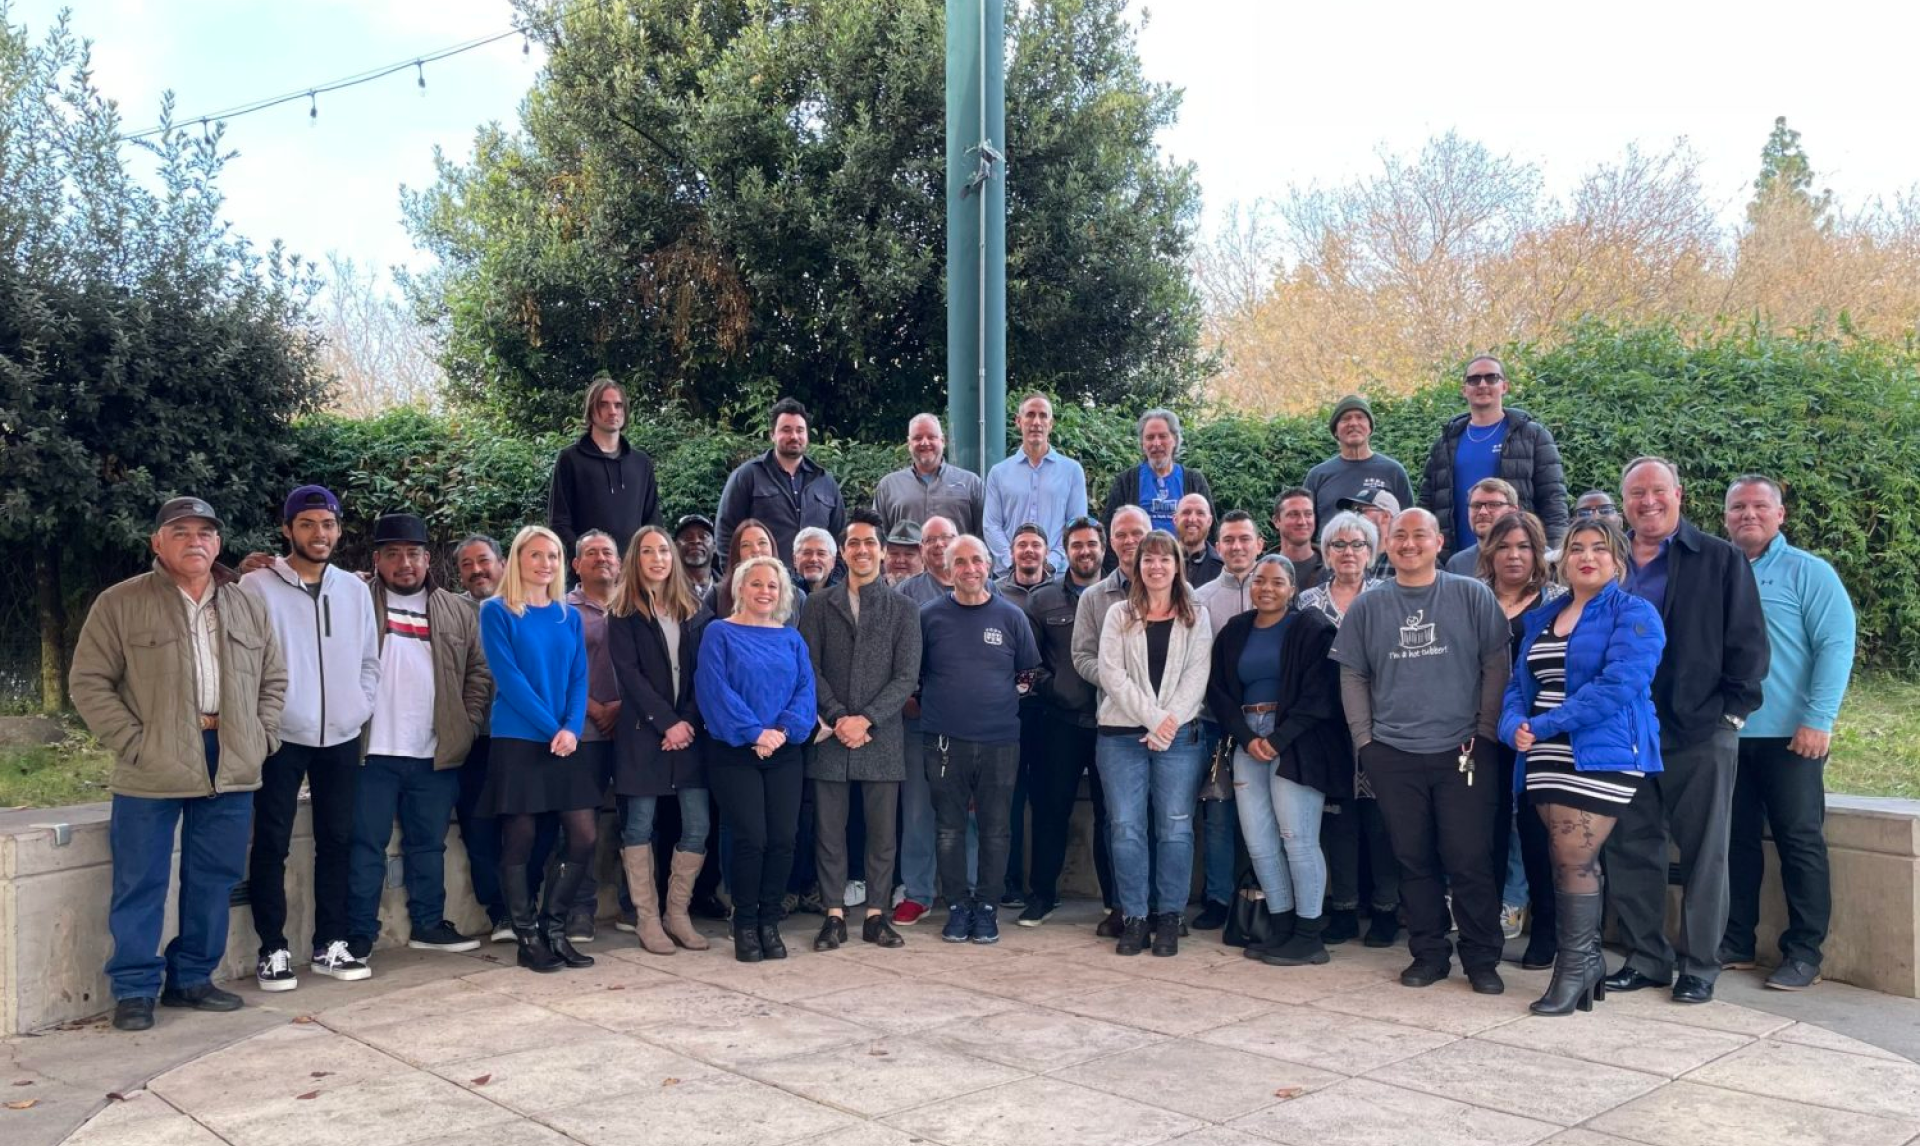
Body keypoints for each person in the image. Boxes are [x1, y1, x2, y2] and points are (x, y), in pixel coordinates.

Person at [71, 497, 287, 1032]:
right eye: (181, 532)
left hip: (231, 756)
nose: (195, 541)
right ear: (157, 543)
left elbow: (273, 679)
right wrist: (134, 743)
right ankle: (135, 988)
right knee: (140, 878)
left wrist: (261, 736)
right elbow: (90, 682)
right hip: (153, 760)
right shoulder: (121, 602)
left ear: (218, 543)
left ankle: (192, 978)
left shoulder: (246, 604)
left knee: (214, 876)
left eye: (205, 533)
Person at [1605, 457, 1770, 1005]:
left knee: (1705, 852)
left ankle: (1699, 965)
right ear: (1624, 502)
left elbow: (1748, 640)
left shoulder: (1719, 558)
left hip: (1698, 728)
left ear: (1679, 494)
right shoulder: (1609, 560)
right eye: (1636, 493)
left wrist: (1731, 716)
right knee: (1631, 847)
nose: (1648, 501)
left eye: (1658, 490)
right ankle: (1647, 958)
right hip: (1623, 730)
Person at [1331, 508, 1511, 994]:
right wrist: (1366, 741)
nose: (1409, 544)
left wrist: (1486, 731)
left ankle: (1481, 957)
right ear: (1387, 544)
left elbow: (1497, 664)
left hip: (1464, 750)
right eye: (1399, 536)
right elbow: (1353, 674)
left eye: (1419, 535)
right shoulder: (1368, 606)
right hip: (1393, 753)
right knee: (1412, 859)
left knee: (1469, 858)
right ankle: (1429, 953)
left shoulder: (1472, 595)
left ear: (1439, 542)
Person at [1501, 517, 1666, 1015]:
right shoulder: (1544, 616)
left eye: (1599, 548)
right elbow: (1518, 684)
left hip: (1603, 749)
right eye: (1576, 548)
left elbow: (1619, 685)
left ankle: (1573, 968)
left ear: (1618, 561)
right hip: (1544, 751)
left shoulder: (1634, 613)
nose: (1587, 556)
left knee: (1575, 857)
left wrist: (1545, 724)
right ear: (1563, 560)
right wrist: (1513, 726)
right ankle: (1587, 962)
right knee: (1562, 855)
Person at [241, 485, 380, 990]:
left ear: (338, 530)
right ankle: (272, 948)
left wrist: (359, 706)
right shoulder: (257, 586)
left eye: (327, 524)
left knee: (338, 840)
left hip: (341, 734)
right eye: (307, 524)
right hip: (282, 736)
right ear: (287, 529)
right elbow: (244, 659)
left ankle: (331, 943)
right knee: (271, 841)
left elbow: (369, 659)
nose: (319, 533)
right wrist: (268, 719)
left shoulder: (355, 590)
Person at [1720, 474, 1855, 992]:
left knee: (1799, 841)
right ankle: (1736, 942)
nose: (1748, 514)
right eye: (1738, 507)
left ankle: (1803, 953)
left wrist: (1819, 718)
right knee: (1735, 842)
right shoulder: (1719, 570)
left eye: (1760, 506)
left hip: (1792, 737)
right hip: (1729, 733)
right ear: (1726, 517)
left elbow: (1835, 645)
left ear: (1780, 515)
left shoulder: (1808, 572)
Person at [346, 513, 491, 964]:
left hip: (434, 752)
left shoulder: (455, 610)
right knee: (365, 846)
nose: (404, 563)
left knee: (429, 845)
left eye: (413, 553)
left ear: (428, 559)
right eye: (392, 554)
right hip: (370, 751)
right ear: (377, 560)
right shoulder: (356, 600)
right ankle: (358, 935)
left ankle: (429, 923)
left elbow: (478, 672)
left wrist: (466, 724)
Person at [1208, 555, 1350, 967]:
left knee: (1298, 838)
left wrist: (1279, 738)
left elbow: (1321, 693)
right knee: (1259, 841)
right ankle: (1282, 924)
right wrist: (1247, 736)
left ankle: (1309, 935)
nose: (1266, 588)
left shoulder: (1311, 628)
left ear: (1292, 589)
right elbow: (1218, 690)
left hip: (1299, 741)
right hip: (1247, 739)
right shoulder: (1236, 630)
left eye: (1276, 582)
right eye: (1259, 581)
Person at [797, 508, 921, 951]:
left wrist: (866, 718)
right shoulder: (817, 605)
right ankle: (833, 914)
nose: (862, 550)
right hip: (831, 735)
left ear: (883, 552)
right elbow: (808, 667)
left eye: (870, 543)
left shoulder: (904, 609)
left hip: (880, 734)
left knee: (882, 833)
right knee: (829, 831)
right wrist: (837, 716)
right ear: (843, 551)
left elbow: (906, 676)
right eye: (854, 543)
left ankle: (875, 914)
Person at [478, 526, 596, 974]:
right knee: (521, 837)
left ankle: (555, 928)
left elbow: (579, 677)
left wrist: (572, 728)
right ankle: (526, 936)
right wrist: (554, 729)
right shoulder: (497, 611)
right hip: (519, 738)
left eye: (553, 556)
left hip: (565, 739)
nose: (546, 564)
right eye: (536, 555)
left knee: (583, 835)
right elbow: (510, 681)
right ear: (517, 559)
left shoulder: (569, 616)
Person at [919, 535, 1043, 945]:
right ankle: (957, 906)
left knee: (995, 828)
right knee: (949, 829)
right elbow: (916, 674)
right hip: (944, 740)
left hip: (999, 740)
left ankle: (987, 907)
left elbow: (1028, 674)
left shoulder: (1011, 617)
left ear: (989, 565)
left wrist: (996, 702)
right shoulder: (929, 617)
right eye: (960, 562)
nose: (969, 569)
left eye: (976, 560)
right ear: (947, 569)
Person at [1095, 529, 1214, 956]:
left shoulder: (1196, 615)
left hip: (1179, 739)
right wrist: (1155, 720)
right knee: (1126, 828)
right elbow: (1112, 675)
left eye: (1165, 559)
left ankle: (1169, 916)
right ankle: (1134, 916)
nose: (1156, 566)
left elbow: (1197, 677)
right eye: (1148, 559)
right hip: (1120, 738)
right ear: (1137, 566)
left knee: (1176, 828)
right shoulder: (1119, 614)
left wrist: (1168, 725)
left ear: (1178, 565)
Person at [697, 556, 817, 962]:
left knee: (783, 839)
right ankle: (745, 924)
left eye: (773, 585)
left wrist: (780, 731)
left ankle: (770, 922)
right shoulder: (719, 633)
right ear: (740, 589)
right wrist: (754, 732)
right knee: (751, 838)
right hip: (735, 752)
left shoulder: (792, 639)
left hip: (784, 751)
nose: (765, 591)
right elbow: (714, 689)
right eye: (757, 584)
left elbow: (805, 691)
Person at [608, 524, 713, 955]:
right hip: (642, 735)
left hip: (688, 735)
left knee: (697, 825)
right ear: (636, 559)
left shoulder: (695, 610)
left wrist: (684, 722)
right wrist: (666, 723)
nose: (658, 559)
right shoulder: (622, 613)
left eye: (664, 551)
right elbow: (629, 675)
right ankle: (647, 919)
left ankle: (677, 914)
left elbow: (704, 672)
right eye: (648, 551)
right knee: (639, 825)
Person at [1299, 511, 1399, 949]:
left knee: (1381, 822)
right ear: (1325, 552)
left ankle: (1385, 910)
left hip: (1381, 724)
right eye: (1338, 544)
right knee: (1337, 822)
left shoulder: (1389, 596)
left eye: (1358, 544)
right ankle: (1343, 908)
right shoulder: (1307, 602)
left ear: (1372, 552)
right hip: (1327, 728)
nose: (1348, 552)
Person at [1475, 512, 1568, 968]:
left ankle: (1546, 931)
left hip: (1537, 733)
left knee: (1536, 834)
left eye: (1524, 547)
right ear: (1489, 552)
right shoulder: (1473, 598)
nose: (1514, 555)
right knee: (1485, 834)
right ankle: (1485, 931)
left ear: (1538, 553)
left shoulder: (1556, 602)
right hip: (1481, 732)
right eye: (1505, 546)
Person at [1019, 515, 1117, 925]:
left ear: (1103, 548)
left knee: (1113, 815)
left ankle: (1116, 900)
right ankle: (1043, 895)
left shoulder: (1124, 594)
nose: (1085, 551)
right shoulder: (1042, 600)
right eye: (1077, 545)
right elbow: (1028, 661)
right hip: (1059, 722)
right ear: (1065, 551)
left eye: (1091, 544)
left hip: (1114, 723)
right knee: (1050, 810)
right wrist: (1054, 689)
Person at [1071, 505, 1152, 938]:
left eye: (1136, 532)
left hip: (1166, 725)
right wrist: (1121, 685)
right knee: (1119, 821)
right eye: (1121, 534)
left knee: (1165, 821)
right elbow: (1082, 656)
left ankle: (1162, 907)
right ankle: (1123, 905)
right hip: (1117, 724)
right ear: (1110, 542)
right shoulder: (1094, 597)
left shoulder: (1177, 590)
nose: (1129, 540)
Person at [1190, 509, 1267, 930]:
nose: (1237, 547)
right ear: (1218, 547)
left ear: (1259, 544)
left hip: (1266, 725)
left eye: (1244, 539)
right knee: (1218, 814)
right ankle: (1218, 898)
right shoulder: (1201, 599)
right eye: (1229, 540)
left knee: (1268, 815)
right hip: (1215, 724)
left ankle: (1269, 896)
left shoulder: (1274, 589)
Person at [1417, 355, 1569, 555]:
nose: (1482, 384)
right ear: (1464, 390)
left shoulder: (1532, 436)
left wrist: (1552, 555)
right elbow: (1427, 504)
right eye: (1474, 379)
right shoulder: (1445, 443)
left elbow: (1553, 500)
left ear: (1504, 386)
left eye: (1491, 378)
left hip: (1515, 558)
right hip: (1456, 560)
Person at [890, 513, 957, 924]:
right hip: (919, 717)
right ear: (922, 549)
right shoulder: (906, 593)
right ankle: (918, 892)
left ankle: (967, 890)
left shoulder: (982, 585)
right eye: (930, 540)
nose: (938, 545)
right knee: (917, 810)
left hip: (968, 721)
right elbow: (893, 653)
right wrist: (905, 698)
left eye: (945, 538)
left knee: (967, 810)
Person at [560, 529, 624, 943]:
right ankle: (578, 910)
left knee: (638, 824)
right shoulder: (563, 610)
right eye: (592, 553)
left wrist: (622, 707)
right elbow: (558, 670)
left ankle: (636, 908)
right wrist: (596, 708)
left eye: (608, 552)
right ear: (576, 564)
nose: (602, 558)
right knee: (580, 829)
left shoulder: (635, 604)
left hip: (631, 731)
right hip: (582, 733)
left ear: (620, 562)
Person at [451, 534, 512, 940]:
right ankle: (501, 911)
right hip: (473, 741)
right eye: (467, 564)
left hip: (522, 738)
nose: (477, 570)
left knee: (528, 825)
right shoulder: (451, 612)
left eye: (484, 561)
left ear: (502, 563)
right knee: (479, 828)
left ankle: (528, 903)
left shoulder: (527, 607)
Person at [993, 521, 1053, 908]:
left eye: (1035, 545)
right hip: (1006, 712)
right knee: (1008, 799)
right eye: (1022, 545)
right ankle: (1010, 880)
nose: (1028, 551)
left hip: (1048, 709)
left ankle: (1044, 888)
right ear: (1011, 552)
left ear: (1046, 551)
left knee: (1046, 800)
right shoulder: (995, 591)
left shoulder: (1059, 591)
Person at [716, 397, 847, 565]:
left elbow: (841, 540)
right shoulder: (748, 476)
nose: (794, 436)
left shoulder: (825, 483)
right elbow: (726, 533)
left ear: (807, 435)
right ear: (772, 434)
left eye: (800, 430)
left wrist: (835, 578)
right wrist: (735, 575)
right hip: (765, 579)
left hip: (816, 581)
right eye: (786, 430)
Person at [548, 374, 660, 558]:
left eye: (618, 405)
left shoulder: (641, 463)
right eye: (603, 405)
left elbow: (653, 522)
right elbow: (559, 522)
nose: (612, 411)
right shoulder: (571, 459)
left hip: (632, 569)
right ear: (591, 410)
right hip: (586, 569)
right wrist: (583, 558)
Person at [984, 392, 1089, 575]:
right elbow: (991, 525)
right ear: (1018, 421)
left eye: (1043, 416)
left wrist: (1051, 561)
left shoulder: (1072, 471)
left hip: (1056, 577)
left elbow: (1076, 525)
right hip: (1008, 578)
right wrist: (1012, 560)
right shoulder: (998, 473)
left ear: (1051, 423)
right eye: (1030, 415)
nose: (1036, 422)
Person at [1102, 408, 1213, 548]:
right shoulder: (1126, 482)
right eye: (1150, 437)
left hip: (1185, 560)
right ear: (1142, 444)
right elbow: (1109, 531)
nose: (1156, 443)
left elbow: (1210, 530)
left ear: (1175, 440)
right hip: (1140, 560)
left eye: (1162, 436)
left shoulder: (1194, 481)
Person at [1302, 394, 1414, 530]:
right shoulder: (1317, 476)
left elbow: (1408, 524)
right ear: (1335, 431)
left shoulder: (1394, 472)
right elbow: (1305, 528)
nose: (1353, 423)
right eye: (1345, 418)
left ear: (1370, 427)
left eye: (1360, 417)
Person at [872, 412, 985, 538]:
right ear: (909, 444)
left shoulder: (971, 483)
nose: (925, 442)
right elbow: (878, 537)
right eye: (918, 438)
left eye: (931, 437)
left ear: (943, 441)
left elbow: (984, 535)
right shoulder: (889, 486)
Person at [713, 519, 808, 626]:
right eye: (745, 545)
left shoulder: (798, 597)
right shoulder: (716, 595)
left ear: (772, 547)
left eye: (762, 543)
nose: (756, 549)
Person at [1444, 478, 1519, 575]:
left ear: (1513, 511)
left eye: (1493, 505)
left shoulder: (1533, 558)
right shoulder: (1457, 564)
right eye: (1476, 506)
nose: (1482, 512)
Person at [1337, 487, 1399, 581]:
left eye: (1359, 510)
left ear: (1385, 517)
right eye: (1352, 511)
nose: (1353, 516)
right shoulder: (1349, 555)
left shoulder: (1402, 558)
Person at [1270, 488, 1324, 592]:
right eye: (1293, 514)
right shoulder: (1261, 571)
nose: (1302, 522)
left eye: (1308, 514)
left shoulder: (1332, 568)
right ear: (1276, 521)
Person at [1176, 493, 1223, 588]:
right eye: (1186, 512)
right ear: (1175, 520)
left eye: (1200, 513)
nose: (1192, 519)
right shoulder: (1160, 564)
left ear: (1209, 521)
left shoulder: (1223, 568)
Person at [674, 514, 718, 601]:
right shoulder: (663, 589)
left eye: (703, 536)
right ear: (675, 547)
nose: (696, 541)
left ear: (714, 546)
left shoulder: (731, 589)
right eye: (687, 537)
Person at [793, 526, 844, 594]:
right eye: (807, 553)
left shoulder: (845, 595)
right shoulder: (783, 591)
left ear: (833, 562)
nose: (813, 559)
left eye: (821, 554)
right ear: (795, 560)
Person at [884, 520, 924, 584]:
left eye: (909, 554)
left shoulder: (933, 588)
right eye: (894, 553)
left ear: (923, 558)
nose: (900, 560)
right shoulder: (872, 587)